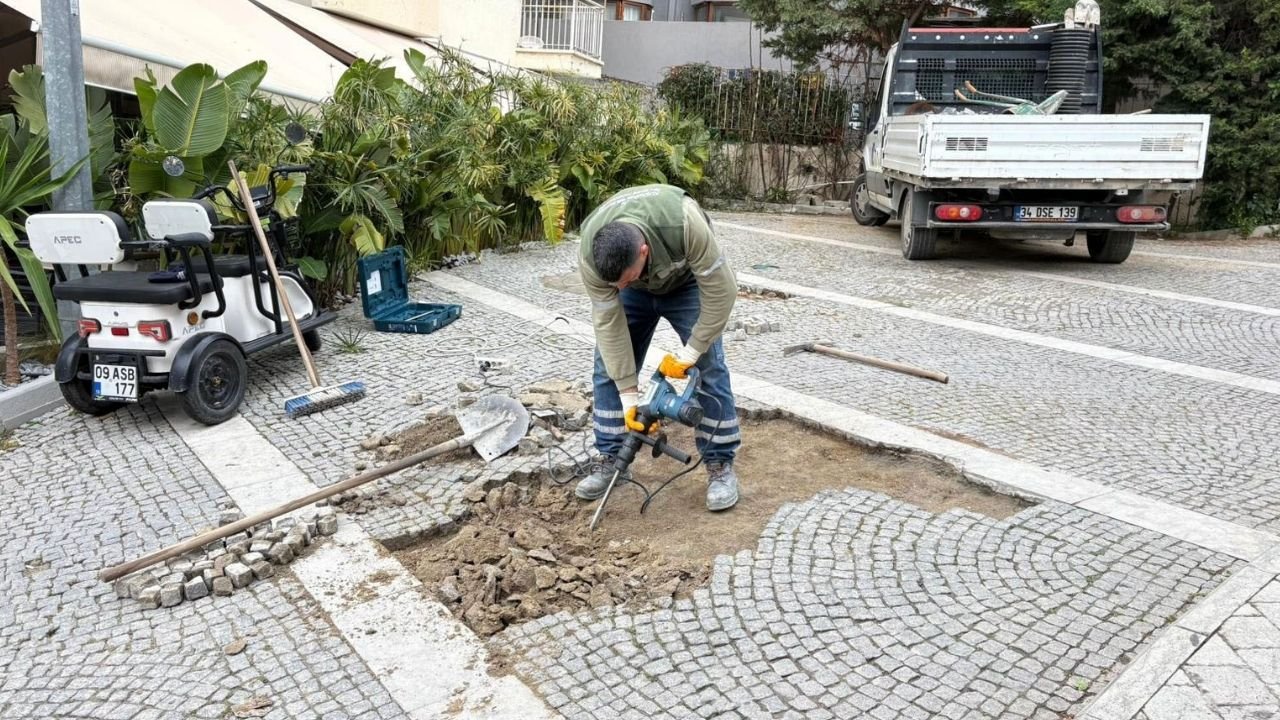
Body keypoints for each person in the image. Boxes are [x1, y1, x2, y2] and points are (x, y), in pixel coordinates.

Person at [575, 184, 741, 511]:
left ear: (643, 251)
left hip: (686, 282)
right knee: (607, 366)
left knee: (709, 365)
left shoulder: (684, 222)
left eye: (625, 279)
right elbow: (609, 326)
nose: (619, 287)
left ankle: (720, 464)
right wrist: (629, 398)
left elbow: (723, 292)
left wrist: (690, 353)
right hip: (637, 292)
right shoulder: (592, 255)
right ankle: (611, 458)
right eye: (615, 284)